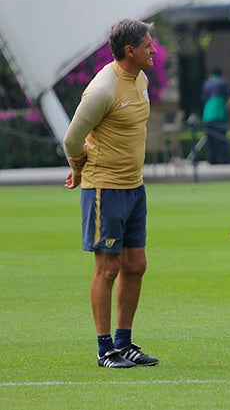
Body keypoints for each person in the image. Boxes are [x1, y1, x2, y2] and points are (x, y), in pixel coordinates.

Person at [63, 19, 160, 368]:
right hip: (105, 188)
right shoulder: (102, 89)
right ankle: (106, 349)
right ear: (130, 51)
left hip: (135, 187)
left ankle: (125, 342)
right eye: (148, 45)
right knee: (108, 269)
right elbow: (72, 139)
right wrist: (78, 169)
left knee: (136, 265)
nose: (154, 50)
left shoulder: (141, 79)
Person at [200, 66, 230, 164]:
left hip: (207, 114)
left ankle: (211, 159)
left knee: (210, 139)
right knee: (221, 138)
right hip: (218, 114)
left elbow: (203, 99)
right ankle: (223, 159)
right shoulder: (222, 82)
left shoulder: (206, 83)